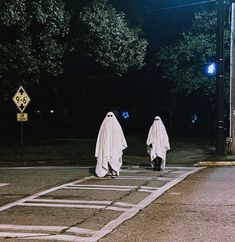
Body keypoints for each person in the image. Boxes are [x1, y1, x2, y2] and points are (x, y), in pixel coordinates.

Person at [95, 111, 127, 177]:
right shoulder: (103, 126)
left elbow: (120, 136)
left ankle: (114, 171)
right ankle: (106, 170)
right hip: (106, 146)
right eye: (108, 116)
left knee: (114, 157)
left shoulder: (116, 126)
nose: (109, 118)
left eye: (111, 116)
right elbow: (100, 138)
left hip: (114, 146)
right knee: (105, 155)